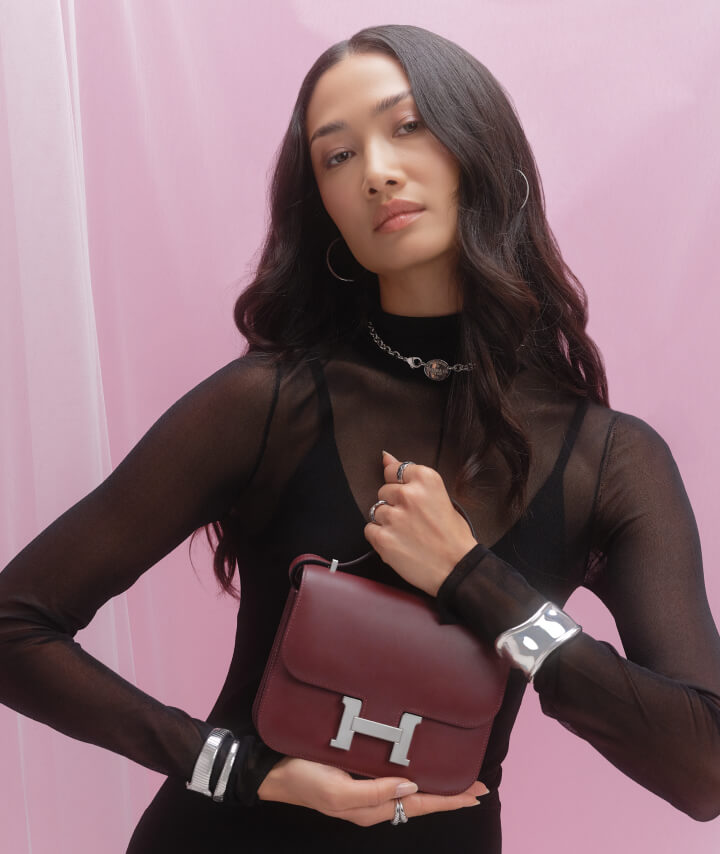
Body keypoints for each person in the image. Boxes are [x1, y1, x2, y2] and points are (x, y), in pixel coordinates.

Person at [1, 22, 719, 854]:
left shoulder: (610, 461)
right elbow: (15, 625)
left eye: (407, 126)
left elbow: (702, 771)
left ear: (478, 145)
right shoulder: (269, 404)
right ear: (324, 203)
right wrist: (231, 767)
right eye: (337, 156)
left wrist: (473, 578)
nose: (376, 172)